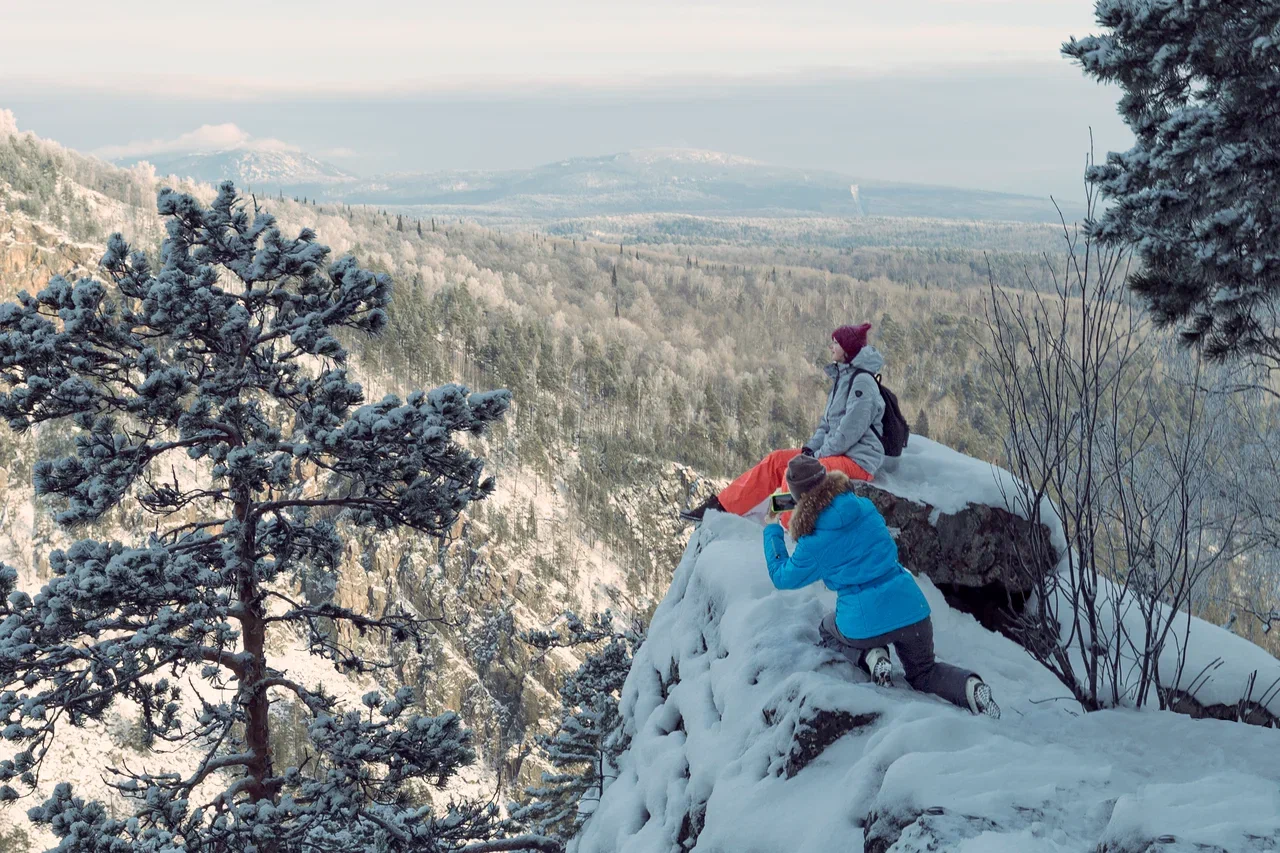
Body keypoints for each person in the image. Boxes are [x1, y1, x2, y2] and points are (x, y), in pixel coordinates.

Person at [762, 454, 1001, 717]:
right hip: (912, 610)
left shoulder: (813, 542)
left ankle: (871, 657)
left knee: (827, 628)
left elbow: (782, 576)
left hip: (864, 624)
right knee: (924, 672)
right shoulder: (863, 507)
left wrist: (772, 528)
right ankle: (970, 687)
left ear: (797, 497)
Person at [681, 323, 887, 523]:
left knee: (800, 471)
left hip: (858, 459)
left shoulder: (862, 382)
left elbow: (849, 432)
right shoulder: (843, 378)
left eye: (835, 342)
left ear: (847, 349)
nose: (831, 346)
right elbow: (826, 425)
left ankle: (788, 525)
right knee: (777, 461)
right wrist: (809, 450)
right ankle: (722, 507)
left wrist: (817, 456)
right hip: (836, 452)